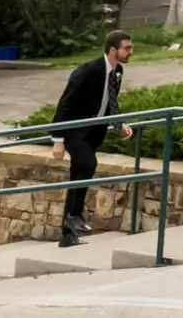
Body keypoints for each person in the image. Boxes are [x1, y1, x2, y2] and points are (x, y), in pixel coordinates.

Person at [50, 30, 133, 246]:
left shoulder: (117, 71)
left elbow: (110, 102)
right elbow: (65, 104)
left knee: (78, 173)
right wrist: (58, 140)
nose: (130, 52)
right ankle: (75, 214)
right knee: (88, 164)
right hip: (74, 131)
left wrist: (119, 124)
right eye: (127, 48)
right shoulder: (87, 70)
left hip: (93, 133)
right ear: (113, 50)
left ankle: (67, 234)